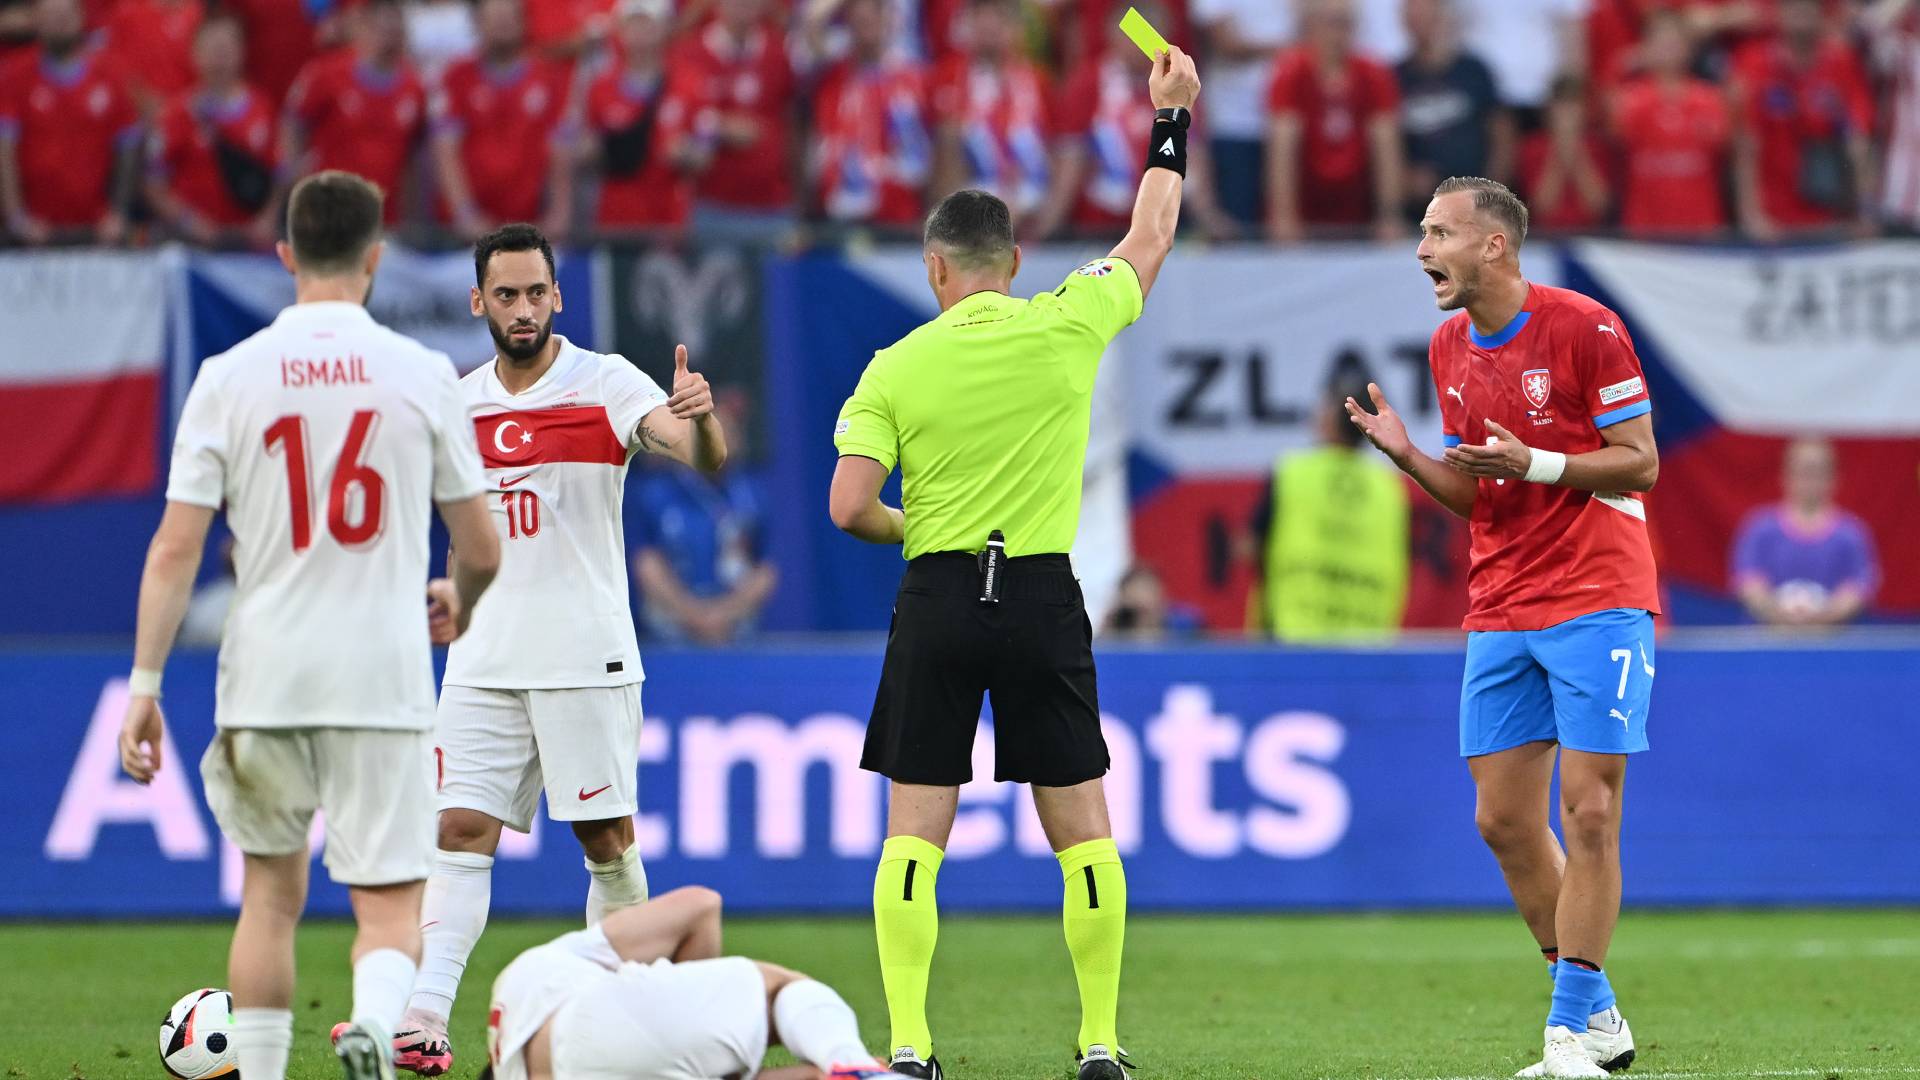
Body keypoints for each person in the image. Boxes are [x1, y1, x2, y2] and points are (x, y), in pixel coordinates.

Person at [829, 45, 1202, 1080]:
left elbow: (847, 506)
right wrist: (1167, 116)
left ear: (936, 269)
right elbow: (1152, 231)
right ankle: (1099, 1043)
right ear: (1015, 263)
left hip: (942, 591)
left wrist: (928, 527)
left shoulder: (895, 365)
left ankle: (908, 1047)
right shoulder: (1066, 321)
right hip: (1041, 588)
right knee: (1082, 831)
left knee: (915, 836)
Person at [116, 170, 501, 1080]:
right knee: (389, 905)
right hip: (382, 675)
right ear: (375, 258)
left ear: (286, 255)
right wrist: (461, 598)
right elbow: (480, 546)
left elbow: (175, 549)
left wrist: (144, 687)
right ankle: (372, 1020)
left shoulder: (227, 377)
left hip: (266, 676)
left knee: (269, 899)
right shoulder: (421, 375)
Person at [395, 223, 729, 1078]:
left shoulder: (606, 381)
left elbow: (698, 454)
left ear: (557, 297)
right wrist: (450, 598)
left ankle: (624, 1016)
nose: (521, 309)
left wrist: (704, 420)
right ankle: (426, 1017)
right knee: (460, 828)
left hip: (585, 655)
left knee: (606, 840)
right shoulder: (456, 404)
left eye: (535, 293)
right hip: (483, 657)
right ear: (478, 303)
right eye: (504, 295)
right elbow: (461, 536)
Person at [1346, 176, 1660, 1078]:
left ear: (1495, 245)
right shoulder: (1449, 345)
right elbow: (1480, 494)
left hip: (1598, 594)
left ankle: (1565, 1035)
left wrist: (1542, 460)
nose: (1421, 250)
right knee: (1503, 824)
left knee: (1591, 810)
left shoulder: (1584, 326)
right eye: (1420, 233)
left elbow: (1639, 465)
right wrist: (1409, 455)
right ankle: (1598, 1018)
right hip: (1502, 604)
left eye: (1438, 233)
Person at [475, 886, 889, 1080]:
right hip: (589, 1018)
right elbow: (700, 905)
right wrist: (681, 986)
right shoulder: (519, 978)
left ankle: (850, 1072)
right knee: (779, 989)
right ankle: (851, 1060)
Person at [1248, 382, 1410, 642]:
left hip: (1291, 635)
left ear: (1330, 420)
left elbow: (1252, 546)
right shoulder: (1388, 488)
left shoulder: (1292, 472)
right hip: (1368, 641)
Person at [632, 389, 777, 644]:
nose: (721, 441)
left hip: (735, 634)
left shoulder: (752, 497)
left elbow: (766, 571)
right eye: (710, 432)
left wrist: (724, 614)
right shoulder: (657, 494)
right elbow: (647, 564)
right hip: (669, 635)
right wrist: (693, 615)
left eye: (728, 432)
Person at [1730, 0, 1876, 240]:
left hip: (1827, 208)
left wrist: (1864, 212)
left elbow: (1859, 141)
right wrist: (1751, 214)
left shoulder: (1840, 61)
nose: (1801, 16)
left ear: (1822, 16)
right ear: (1778, 14)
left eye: (1809, 9)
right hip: (1772, 214)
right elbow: (1745, 144)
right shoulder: (1753, 61)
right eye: (1793, 8)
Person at [429, 0, 574, 240]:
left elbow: (560, 148)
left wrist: (560, 212)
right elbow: (446, 150)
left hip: (530, 222)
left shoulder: (550, 78)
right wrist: (464, 213)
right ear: (477, 23)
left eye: (510, 16)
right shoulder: (455, 78)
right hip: (464, 231)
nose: (503, 24)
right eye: (495, 17)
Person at [0, 0, 140, 246]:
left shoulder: (110, 75)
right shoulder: (15, 75)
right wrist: (16, 217)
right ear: (36, 21)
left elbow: (128, 148)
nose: (59, 22)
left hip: (96, 227)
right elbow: (5, 149)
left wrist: (118, 213)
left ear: (81, 18)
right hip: (35, 228)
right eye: (51, 15)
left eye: (65, 15)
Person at [1263, 0, 1405, 243]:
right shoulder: (1291, 73)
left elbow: (1386, 149)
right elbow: (1283, 149)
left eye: (1347, 25)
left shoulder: (1374, 74)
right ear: (1312, 26)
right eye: (1333, 24)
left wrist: (1389, 215)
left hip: (1358, 206)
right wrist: (1284, 215)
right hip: (1309, 202)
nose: (1339, 34)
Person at [662, 0, 798, 243]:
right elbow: (676, 128)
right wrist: (720, 127)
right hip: (714, 206)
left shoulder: (779, 53)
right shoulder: (690, 53)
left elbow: (798, 118)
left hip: (772, 205)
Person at [282, 0, 426, 225]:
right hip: (327, 212)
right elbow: (292, 124)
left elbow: (414, 158)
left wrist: (411, 217)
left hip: (385, 218)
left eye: (395, 30)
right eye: (383, 29)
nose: (389, 37)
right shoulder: (326, 73)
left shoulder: (414, 88)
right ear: (364, 28)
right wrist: (293, 177)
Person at [145, 13, 283, 248]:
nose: (219, 58)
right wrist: (190, 222)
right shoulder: (176, 114)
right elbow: (153, 181)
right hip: (193, 245)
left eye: (226, 48)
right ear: (194, 53)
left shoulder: (263, 109)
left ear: (242, 51)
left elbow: (282, 172)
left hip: (249, 244)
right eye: (211, 49)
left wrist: (267, 219)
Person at [808, 0, 931, 231]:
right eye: (859, 19)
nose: (867, 26)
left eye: (874, 16)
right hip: (837, 218)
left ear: (889, 19)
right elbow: (812, 26)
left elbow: (932, 153)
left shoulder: (913, 79)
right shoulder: (830, 76)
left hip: (898, 219)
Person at [1731, 437, 1880, 627]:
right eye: (1803, 471)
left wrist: (1819, 618)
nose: (1809, 480)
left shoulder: (1851, 535)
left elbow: (1857, 590)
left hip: (1831, 646)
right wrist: (1783, 616)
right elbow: (1749, 584)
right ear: (1785, 474)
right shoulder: (1760, 529)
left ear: (1834, 477)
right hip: (1768, 643)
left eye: (1817, 471)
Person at [1609, 8, 1732, 238]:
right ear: (1646, 46)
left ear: (1689, 48)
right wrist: (1622, 68)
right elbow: (1615, 133)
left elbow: (1724, 148)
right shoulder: (1631, 99)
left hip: (1701, 227)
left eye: (1675, 41)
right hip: (1645, 229)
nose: (1668, 48)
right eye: (1660, 40)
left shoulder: (1709, 99)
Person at [927, 0, 1053, 219]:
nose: (989, 25)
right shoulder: (949, 77)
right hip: (971, 216)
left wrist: (1044, 218)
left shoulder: (1038, 81)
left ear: (1016, 27)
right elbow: (943, 155)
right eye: (980, 17)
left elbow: (1054, 150)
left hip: (1031, 213)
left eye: (998, 16)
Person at [580, 0, 693, 237]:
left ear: (665, 28)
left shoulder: (687, 84)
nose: (640, 32)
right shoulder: (600, 88)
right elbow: (583, 147)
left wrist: (690, 152)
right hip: (615, 218)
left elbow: (704, 150)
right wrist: (590, 150)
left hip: (669, 220)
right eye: (633, 23)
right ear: (620, 29)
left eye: (648, 23)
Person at [1396, 0, 1513, 208]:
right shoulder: (1396, 78)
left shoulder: (1475, 71)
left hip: (1475, 204)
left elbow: (1502, 136)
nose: (1420, 23)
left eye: (1425, 14)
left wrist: (1492, 194)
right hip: (1420, 210)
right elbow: (1387, 142)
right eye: (1413, 16)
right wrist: (1404, 177)